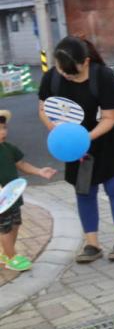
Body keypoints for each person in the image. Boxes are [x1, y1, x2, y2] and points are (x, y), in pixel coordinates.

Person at [38, 37, 114, 265]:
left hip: (109, 141)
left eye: (74, 73)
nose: (68, 76)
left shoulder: (103, 77)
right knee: (84, 191)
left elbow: (110, 117)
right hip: (74, 145)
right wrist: (60, 133)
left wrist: (83, 139)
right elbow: (44, 109)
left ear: (87, 62)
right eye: (64, 72)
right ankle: (92, 244)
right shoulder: (52, 77)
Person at [0, 110, 55, 273]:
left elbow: (21, 164)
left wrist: (39, 171)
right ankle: (12, 257)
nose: (3, 132)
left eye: (4, 127)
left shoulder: (9, 148)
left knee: (15, 224)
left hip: (13, 196)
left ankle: (6, 254)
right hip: (1, 202)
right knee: (4, 228)